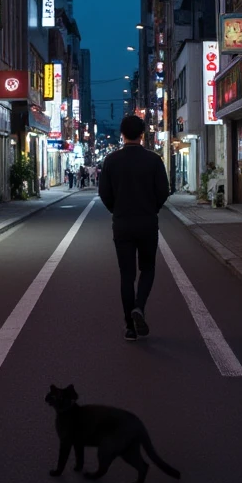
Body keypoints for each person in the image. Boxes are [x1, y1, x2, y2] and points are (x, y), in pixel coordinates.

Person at [98, 114, 170, 341]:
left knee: (126, 275)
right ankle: (139, 306)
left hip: (122, 224)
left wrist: (116, 210)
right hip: (147, 222)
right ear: (142, 134)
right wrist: (152, 208)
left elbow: (104, 194)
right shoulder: (154, 160)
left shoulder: (111, 161)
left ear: (121, 134)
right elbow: (163, 191)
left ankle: (130, 326)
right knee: (147, 268)